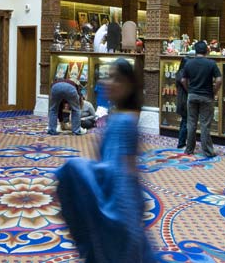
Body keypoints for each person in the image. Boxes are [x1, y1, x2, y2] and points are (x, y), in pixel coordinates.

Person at [56, 58, 155, 263]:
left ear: (128, 85)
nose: (107, 82)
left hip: (117, 201)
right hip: (112, 195)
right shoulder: (120, 117)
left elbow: (126, 173)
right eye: (107, 76)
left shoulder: (125, 122)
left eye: (115, 78)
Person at [181, 41, 222, 157]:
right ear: (206, 51)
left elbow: (183, 80)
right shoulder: (211, 64)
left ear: (195, 50)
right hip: (206, 97)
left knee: (191, 123)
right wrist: (214, 92)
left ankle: (189, 149)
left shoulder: (189, 63)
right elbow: (219, 80)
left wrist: (189, 91)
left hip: (192, 95)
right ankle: (207, 151)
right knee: (205, 124)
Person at [175, 57, 189, 149]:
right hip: (184, 100)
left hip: (181, 99)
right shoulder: (182, 74)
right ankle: (181, 143)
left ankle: (182, 141)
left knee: (184, 121)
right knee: (185, 121)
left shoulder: (179, 72)